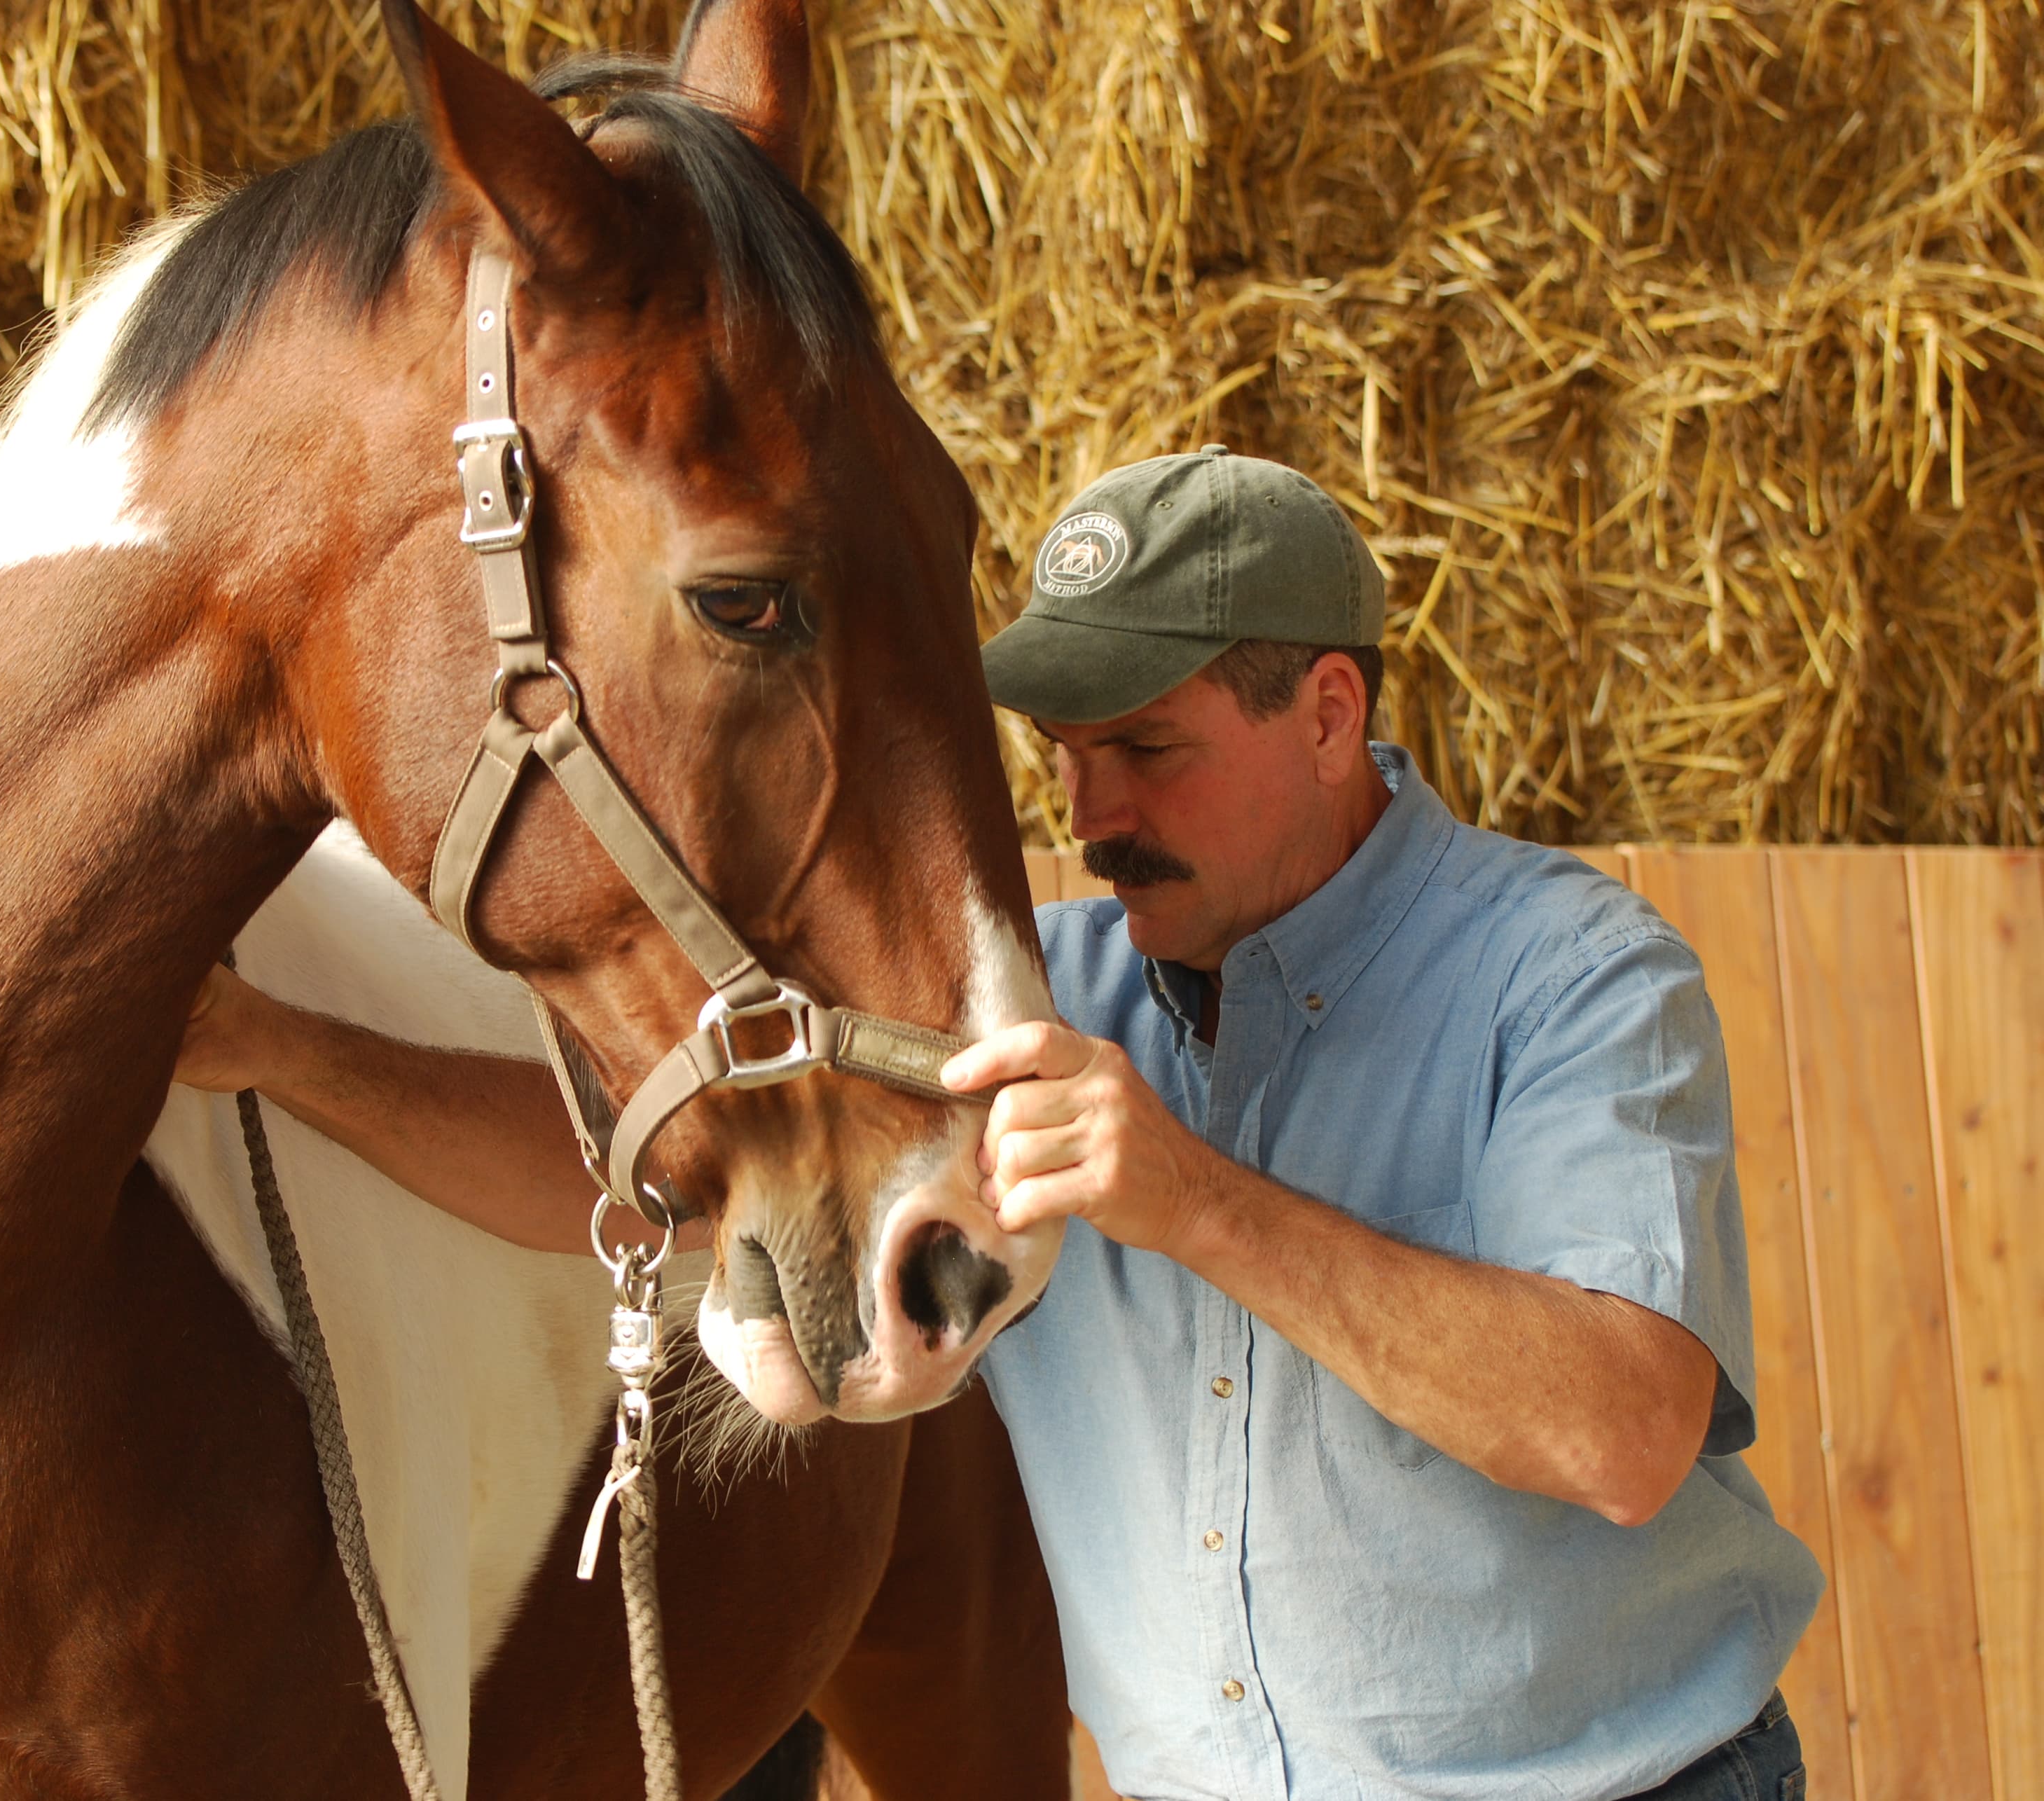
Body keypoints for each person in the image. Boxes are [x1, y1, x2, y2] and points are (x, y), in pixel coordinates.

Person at [178, 443, 1823, 1801]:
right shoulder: (1038, 998)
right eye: (1065, 758)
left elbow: (1623, 1434)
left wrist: (1195, 1202)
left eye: (1147, 750)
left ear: (1330, 714)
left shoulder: (1574, 975)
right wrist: (286, 1052)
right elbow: (653, 1192)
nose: (1092, 816)